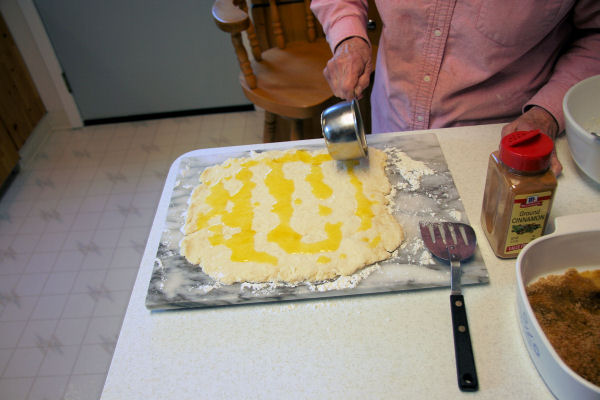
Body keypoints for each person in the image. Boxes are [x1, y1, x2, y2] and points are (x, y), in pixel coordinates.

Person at [310, 0, 600, 176]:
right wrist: (348, 38)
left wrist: (545, 113)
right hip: (391, 119)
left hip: (499, 143)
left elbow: (594, 37)